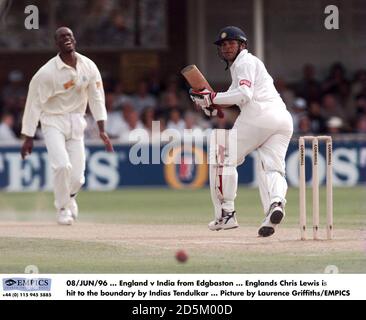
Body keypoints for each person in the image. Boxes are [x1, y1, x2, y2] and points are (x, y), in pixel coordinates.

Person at [190, 26, 293, 237]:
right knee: (273, 169)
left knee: (223, 157)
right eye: (223, 45)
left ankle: (226, 214)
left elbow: (244, 95)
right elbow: (231, 95)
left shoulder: (245, 62)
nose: (227, 47)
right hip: (282, 119)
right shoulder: (246, 65)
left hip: (258, 117)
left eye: (232, 43)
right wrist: (210, 103)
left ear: (242, 45)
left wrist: (211, 98)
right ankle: (275, 205)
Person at [20, 27, 114, 225]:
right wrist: (28, 136)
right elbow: (32, 104)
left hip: (77, 121)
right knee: (62, 166)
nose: (67, 39)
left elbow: (97, 98)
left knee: (78, 177)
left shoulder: (88, 66)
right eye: (62, 37)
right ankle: (62, 208)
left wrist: (102, 129)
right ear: (56, 44)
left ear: (75, 40)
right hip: (52, 121)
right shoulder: (45, 74)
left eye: (70, 36)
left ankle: (70, 198)